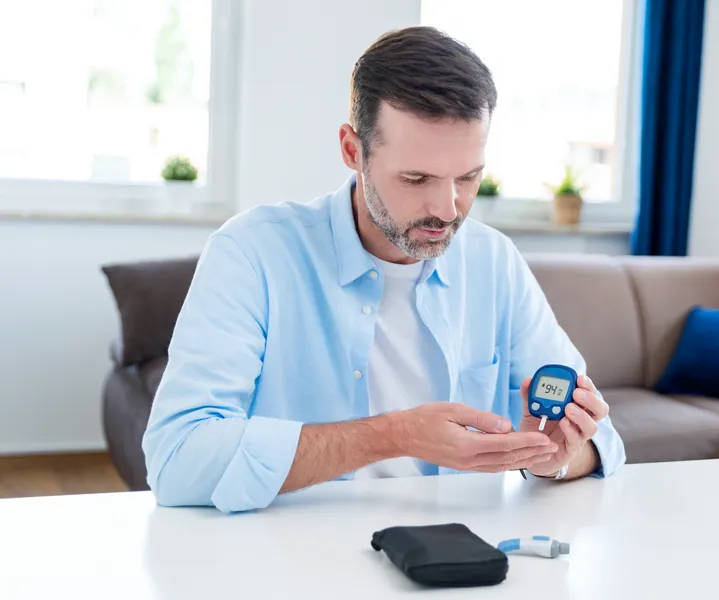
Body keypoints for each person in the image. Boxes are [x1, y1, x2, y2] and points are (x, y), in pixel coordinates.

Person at [142, 26, 625, 513]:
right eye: (417, 178)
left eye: (469, 177)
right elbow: (177, 460)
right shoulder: (252, 253)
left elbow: (601, 442)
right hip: (288, 561)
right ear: (354, 151)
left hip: (452, 566)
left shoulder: (494, 262)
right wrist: (394, 436)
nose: (448, 208)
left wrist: (551, 459)